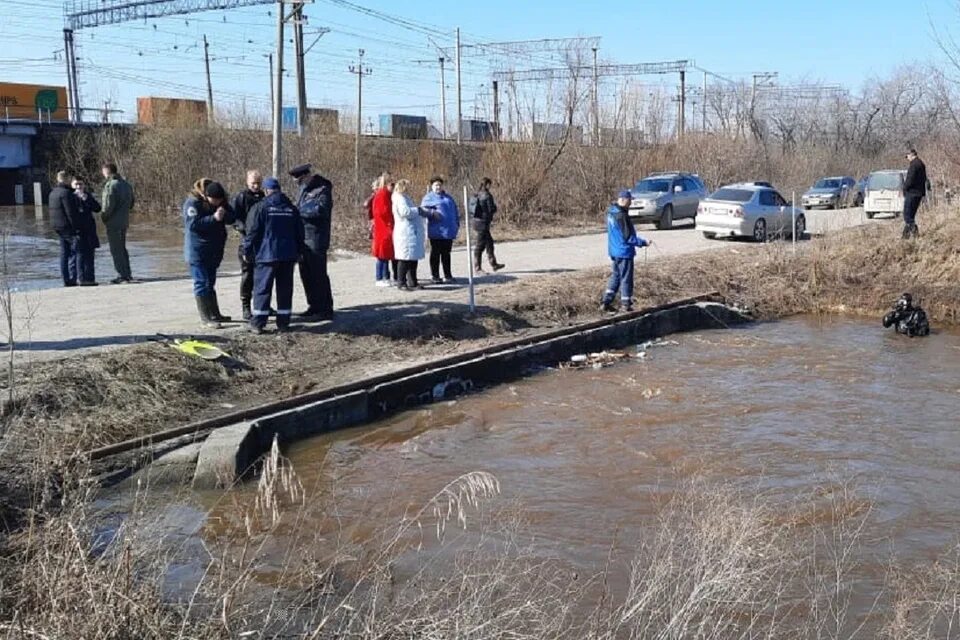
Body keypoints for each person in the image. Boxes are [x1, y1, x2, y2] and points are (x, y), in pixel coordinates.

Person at [242, 177, 304, 334]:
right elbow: (300, 234)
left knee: (262, 289)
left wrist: (246, 251)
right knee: (285, 289)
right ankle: (283, 323)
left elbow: (252, 232)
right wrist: (299, 252)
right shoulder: (292, 209)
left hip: (266, 255)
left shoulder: (260, 207)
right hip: (288, 256)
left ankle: (258, 323)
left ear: (266, 191)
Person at [182, 179, 236, 328]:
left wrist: (224, 214)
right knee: (202, 283)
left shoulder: (220, 202)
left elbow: (232, 218)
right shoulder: (192, 204)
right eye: (215, 200)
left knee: (210, 283)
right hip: (197, 251)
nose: (218, 203)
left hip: (213, 251)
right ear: (206, 195)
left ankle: (215, 314)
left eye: (220, 200)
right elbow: (193, 225)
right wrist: (214, 218)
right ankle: (206, 318)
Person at [289, 163, 334, 320]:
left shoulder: (322, 190)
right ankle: (313, 305)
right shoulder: (303, 189)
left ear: (307, 176)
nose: (298, 184)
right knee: (306, 274)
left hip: (316, 238)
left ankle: (325, 309)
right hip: (303, 238)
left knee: (318, 275)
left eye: (300, 180)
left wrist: (299, 212)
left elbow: (321, 210)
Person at [600, 190, 650, 314]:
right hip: (624, 252)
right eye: (629, 200)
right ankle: (626, 304)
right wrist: (643, 242)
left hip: (614, 251)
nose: (631, 203)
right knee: (626, 278)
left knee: (616, 276)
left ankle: (605, 302)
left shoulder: (611, 212)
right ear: (623, 200)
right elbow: (628, 237)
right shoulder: (622, 216)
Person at [231, 169, 265, 320]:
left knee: (263, 276)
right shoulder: (241, 197)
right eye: (253, 183)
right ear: (247, 182)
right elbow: (233, 218)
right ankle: (246, 307)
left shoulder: (265, 196)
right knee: (248, 275)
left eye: (258, 183)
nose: (256, 186)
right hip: (247, 241)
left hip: (264, 242)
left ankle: (263, 305)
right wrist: (243, 228)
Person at [392, 179, 437, 290]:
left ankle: (413, 281)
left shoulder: (405, 197)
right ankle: (401, 282)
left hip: (412, 232)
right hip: (405, 233)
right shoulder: (399, 198)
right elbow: (405, 212)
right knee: (405, 258)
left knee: (413, 258)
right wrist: (418, 210)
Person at [100, 162, 135, 284]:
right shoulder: (126, 184)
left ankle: (122, 275)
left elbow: (108, 205)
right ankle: (127, 273)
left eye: (103, 172)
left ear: (107, 172)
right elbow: (132, 204)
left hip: (113, 222)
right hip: (124, 221)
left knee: (116, 249)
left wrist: (104, 217)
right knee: (122, 248)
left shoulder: (111, 185)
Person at [421, 176, 460, 284]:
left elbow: (455, 210)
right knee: (436, 254)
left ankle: (448, 275)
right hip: (436, 231)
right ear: (432, 186)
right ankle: (435, 276)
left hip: (448, 231)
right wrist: (432, 213)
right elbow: (422, 210)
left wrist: (457, 223)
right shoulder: (429, 198)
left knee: (446, 254)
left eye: (440, 185)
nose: (438, 187)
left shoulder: (448, 197)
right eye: (436, 185)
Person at [49, 171, 81, 288]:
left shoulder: (53, 193)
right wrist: (76, 228)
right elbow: (70, 212)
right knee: (75, 251)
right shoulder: (66, 193)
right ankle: (73, 278)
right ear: (66, 179)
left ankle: (65, 279)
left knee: (63, 253)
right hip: (68, 227)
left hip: (57, 227)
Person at [470, 177, 505, 274]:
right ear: (488, 185)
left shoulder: (476, 194)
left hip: (476, 222)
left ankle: (494, 264)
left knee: (489, 243)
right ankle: (478, 269)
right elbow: (491, 209)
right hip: (483, 223)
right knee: (480, 246)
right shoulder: (487, 195)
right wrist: (495, 207)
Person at [72, 177, 102, 286]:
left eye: (81, 184)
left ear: (84, 185)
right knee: (80, 255)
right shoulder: (71, 197)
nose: (79, 187)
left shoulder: (88, 196)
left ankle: (90, 278)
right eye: (76, 184)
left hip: (89, 229)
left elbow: (97, 208)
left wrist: (87, 199)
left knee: (90, 254)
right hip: (78, 230)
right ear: (73, 185)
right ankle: (81, 279)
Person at [370, 173, 398, 287]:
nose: (394, 186)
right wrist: (391, 217)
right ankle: (379, 277)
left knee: (386, 254)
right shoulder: (382, 195)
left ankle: (386, 276)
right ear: (387, 184)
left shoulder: (386, 194)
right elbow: (381, 212)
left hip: (386, 227)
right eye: (392, 184)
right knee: (382, 255)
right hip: (384, 228)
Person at [902, 148, 927, 239]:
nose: (907, 158)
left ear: (911, 154)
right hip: (919, 193)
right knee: (910, 216)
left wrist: (904, 188)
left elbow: (910, 180)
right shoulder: (921, 164)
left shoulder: (914, 165)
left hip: (912, 193)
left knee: (907, 216)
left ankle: (915, 234)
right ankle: (905, 237)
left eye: (907, 156)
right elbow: (924, 179)